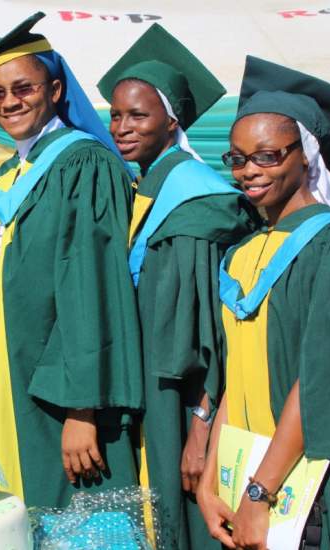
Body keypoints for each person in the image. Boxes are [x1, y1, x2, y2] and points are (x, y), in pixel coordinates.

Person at [0, 12, 142, 507]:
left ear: (56, 89)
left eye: (24, 88)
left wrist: (83, 409)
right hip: (5, 386)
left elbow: (92, 286)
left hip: (59, 399)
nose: (10, 102)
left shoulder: (84, 164)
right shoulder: (1, 180)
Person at [196, 56, 330, 550]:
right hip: (248, 475)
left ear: (306, 156)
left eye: (268, 155)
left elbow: (322, 375)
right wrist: (213, 479)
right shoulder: (243, 253)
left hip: (308, 487)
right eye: (237, 158)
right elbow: (239, 373)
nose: (249, 170)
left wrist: (260, 492)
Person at [97, 24, 260, 548]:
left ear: (172, 122)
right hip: (149, 394)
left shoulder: (198, 204)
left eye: (138, 115)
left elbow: (212, 333)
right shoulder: (144, 190)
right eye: (116, 115)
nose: (121, 126)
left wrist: (202, 425)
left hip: (185, 403)